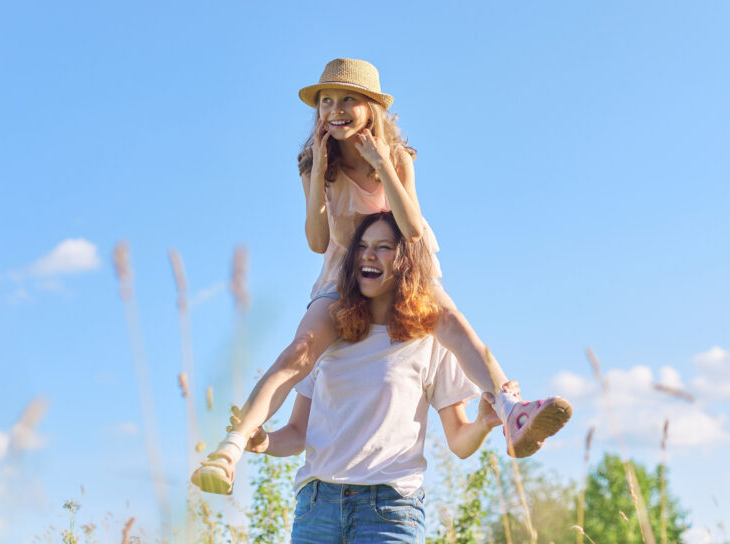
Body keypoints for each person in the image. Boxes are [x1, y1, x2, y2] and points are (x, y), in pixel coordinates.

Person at [192, 58, 571, 495]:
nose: (334, 109)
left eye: (347, 99)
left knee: (450, 322)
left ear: (371, 107)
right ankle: (231, 449)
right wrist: (317, 170)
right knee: (300, 350)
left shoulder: (398, 156)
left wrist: (382, 163)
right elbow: (317, 241)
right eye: (325, 101)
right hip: (344, 267)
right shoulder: (313, 163)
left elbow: (410, 228)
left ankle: (511, 412)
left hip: (404, 261)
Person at [247, 212, 517, 543]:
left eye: (383, 247)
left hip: (389, 511)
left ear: (406, 262)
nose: (369, 255)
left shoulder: (429, 338)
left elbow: (459, 441)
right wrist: (264, 442)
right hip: (317, 509)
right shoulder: (328, 333)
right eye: (361, 246)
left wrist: (482, 425)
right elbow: (297, 432)